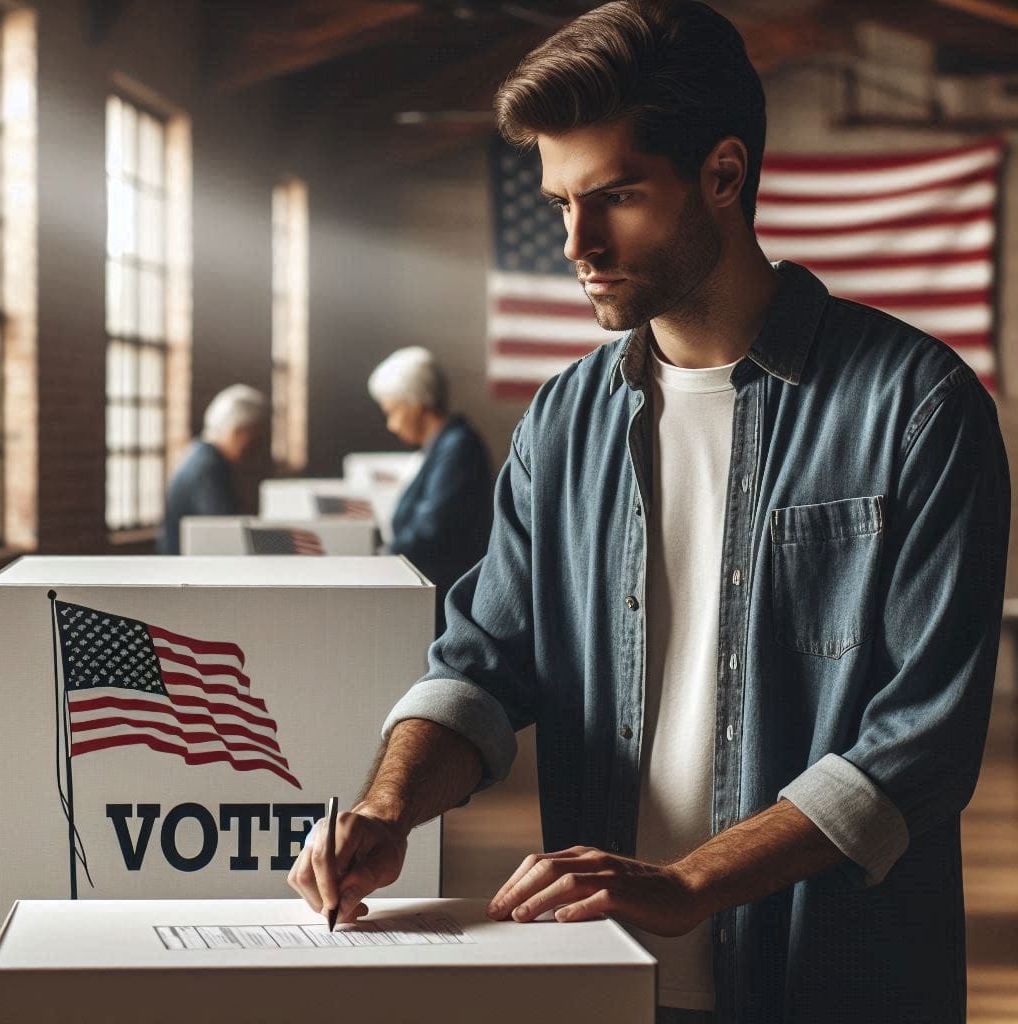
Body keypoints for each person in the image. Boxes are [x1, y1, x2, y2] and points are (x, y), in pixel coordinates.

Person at [289, 4, 1010, 1022]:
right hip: (600, 970)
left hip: (837, 979)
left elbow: (920, 745)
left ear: (723, 174)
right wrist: (384, 805)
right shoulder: (562, 418)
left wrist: (688, 882)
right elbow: (482, 662)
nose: (575, 242)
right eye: (559, 200)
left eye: (614, 196)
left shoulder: (918, 407)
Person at [367, 346, 493, 635]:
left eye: (392, 412)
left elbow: (430, 530)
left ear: (414, 404)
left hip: (444, 608)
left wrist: (381, 556)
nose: (390, 424)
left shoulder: (458, 447)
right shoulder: (441, 448)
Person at [158, 384, 267, 554]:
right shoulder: (208, 468)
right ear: (238, 431)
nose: (256, 447)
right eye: (254, 438)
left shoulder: (199, 453)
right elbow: (227, 531)